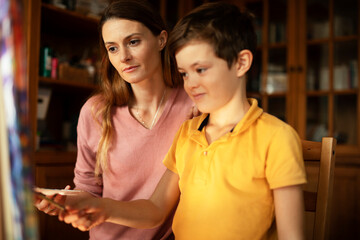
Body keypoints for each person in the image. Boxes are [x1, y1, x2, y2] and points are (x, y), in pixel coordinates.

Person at [60, 2, 307, 239]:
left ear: (241, 63)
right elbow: (155, 210)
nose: (190, 84)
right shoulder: (188, 133)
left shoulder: (276, 137)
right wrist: (100, 208)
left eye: (200, 70)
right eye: (184, 74)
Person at [34, 0, 195, 239]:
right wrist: (69, 203)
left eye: (133, 42)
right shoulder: (95, 112)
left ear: (161, 40)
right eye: (112, 48)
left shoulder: (193, 105)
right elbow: (88, 190)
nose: (124, 57)